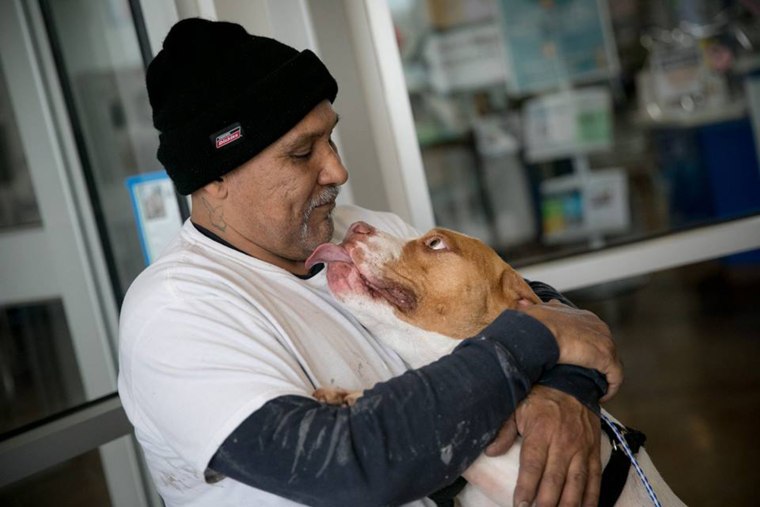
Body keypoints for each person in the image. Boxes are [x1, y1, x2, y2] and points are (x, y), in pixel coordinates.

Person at [118, 18, 622, 507]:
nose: (337, 169)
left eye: (329, 137)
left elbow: (506, 296)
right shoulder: (176, 312)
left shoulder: (351, 226)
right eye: (301, 153)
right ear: (214, 178)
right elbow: (348, 464)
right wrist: (542, 341)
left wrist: (565, 389)